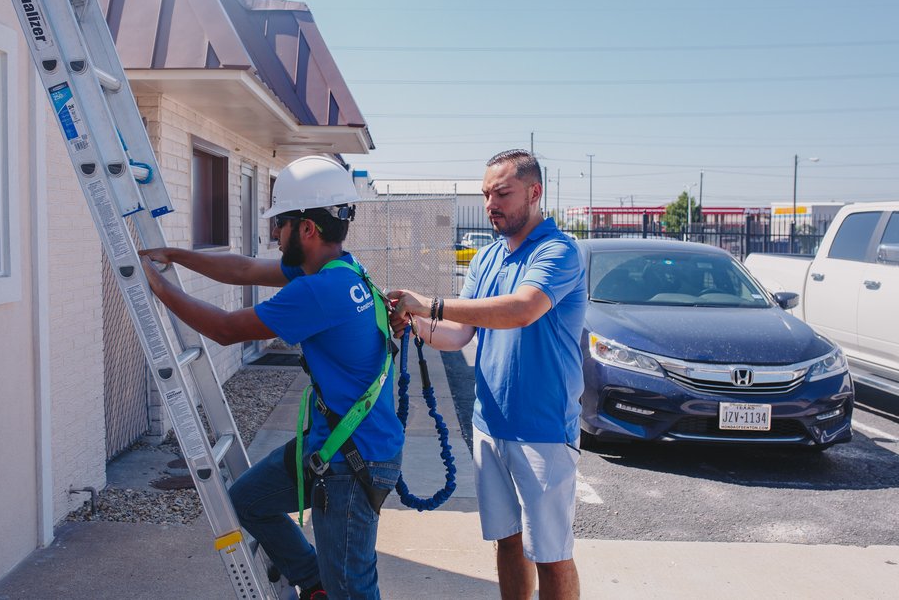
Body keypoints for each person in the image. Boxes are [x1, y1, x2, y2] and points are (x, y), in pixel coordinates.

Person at [140, 155, 404, 600]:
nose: (274, 234)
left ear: (307, 229)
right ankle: (315, 583)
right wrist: (176, 257)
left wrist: (160, 288)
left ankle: (327, 587)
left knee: (353, 589)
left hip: (352, 461)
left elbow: (226, 330)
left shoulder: (317, 290)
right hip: (334, 446)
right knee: (248, 500)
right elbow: (244, 269)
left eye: (279, 224)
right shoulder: (341, 268)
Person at [388, 149, 587, 600]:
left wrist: (430, 304)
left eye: (502, 193)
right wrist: (413, 322)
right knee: (507, 539)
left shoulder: (559, 251)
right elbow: (459, 334)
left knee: (551, 553)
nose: (490, 204)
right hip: (489, 424)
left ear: (534, 193)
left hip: (544, 429)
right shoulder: (486, 258)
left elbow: (522, 309)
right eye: (485, 195)